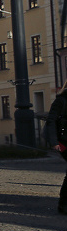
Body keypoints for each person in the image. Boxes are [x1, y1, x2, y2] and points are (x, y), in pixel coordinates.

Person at [43, 85, 67, 215]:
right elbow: (51, 121)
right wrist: (54, 142)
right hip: (64, 141)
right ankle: (63, 205)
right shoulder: (61, 100)